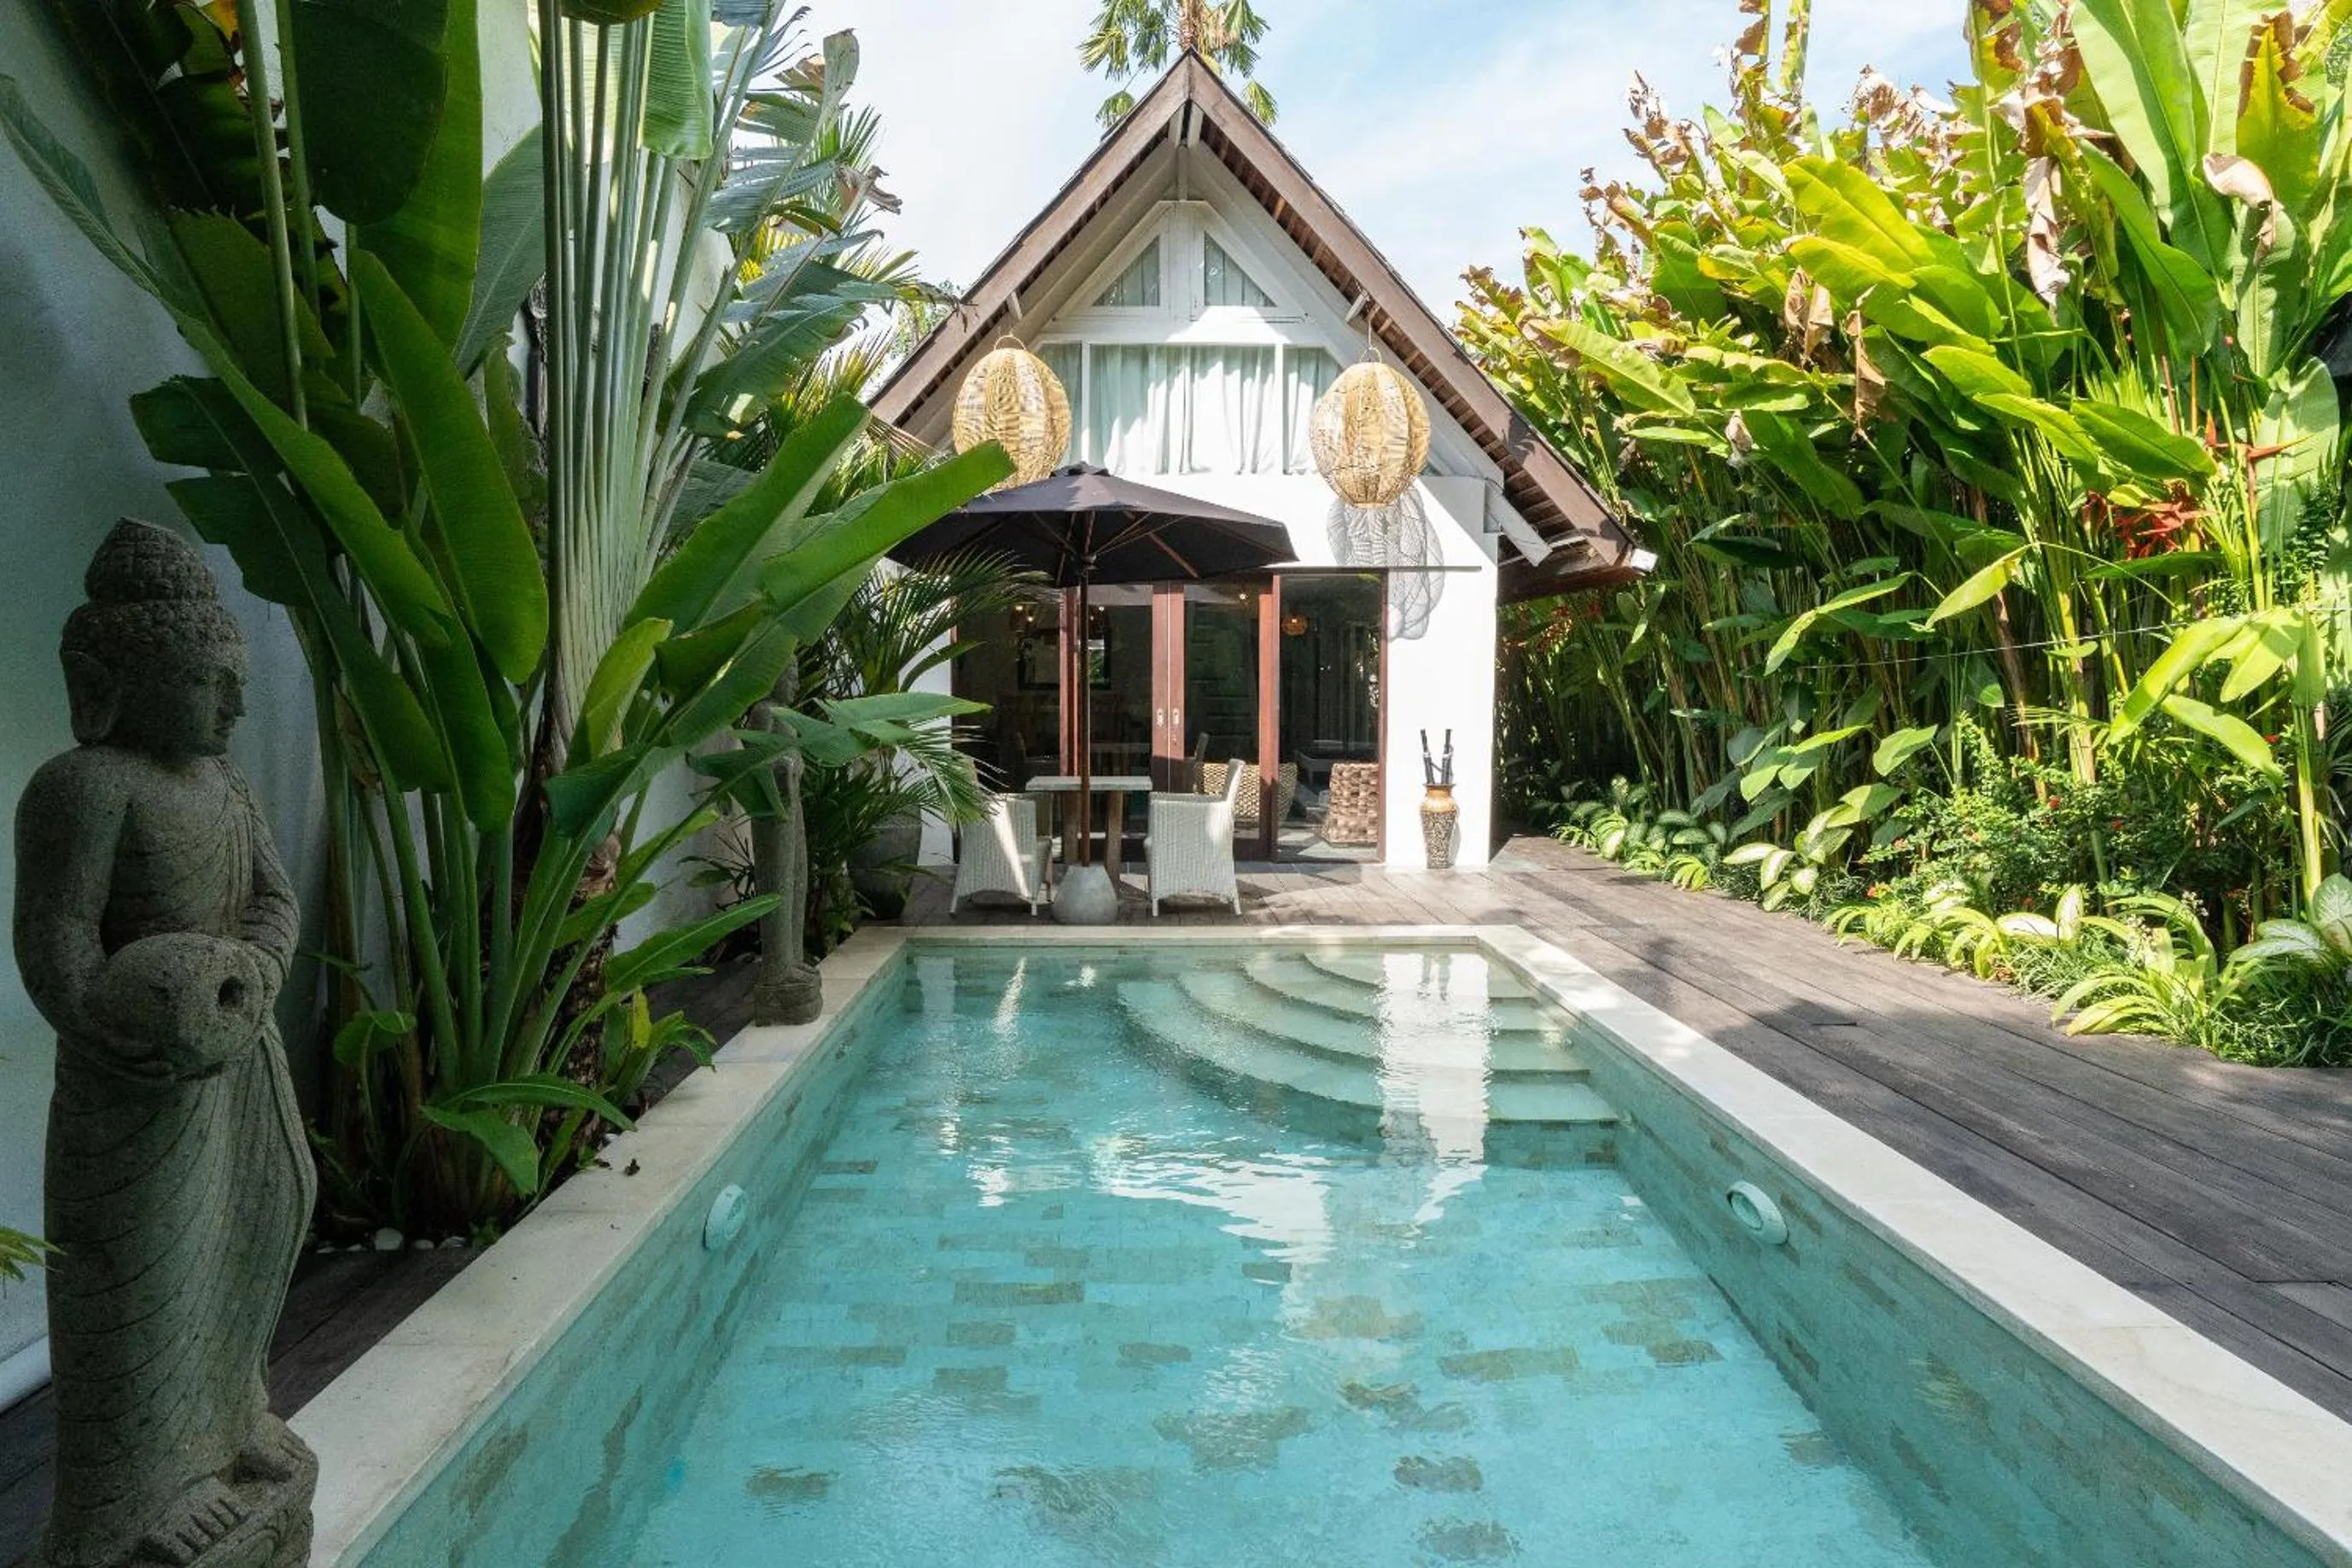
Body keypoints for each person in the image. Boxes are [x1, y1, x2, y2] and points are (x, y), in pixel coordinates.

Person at [15, 520, 314, 1567]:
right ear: (123, 683)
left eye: (236, 683)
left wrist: (258, 971)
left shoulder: (226, 787)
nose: (233, 705)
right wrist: (108, 1023)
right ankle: (132, 1498)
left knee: (257, 1230)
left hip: (238, 1058)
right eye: (207, 682)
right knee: (143, 1279)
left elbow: (274, 899)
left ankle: (230, 1423)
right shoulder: (86, 787)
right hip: (134, 1083)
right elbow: (55, 937)